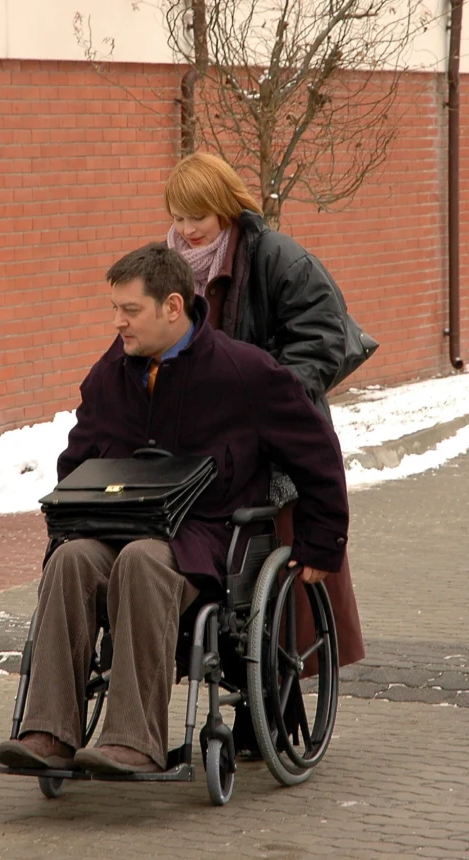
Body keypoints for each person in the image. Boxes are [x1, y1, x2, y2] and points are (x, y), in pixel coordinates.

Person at [0, 243, 349, 774]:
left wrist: (321, 542)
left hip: (209, 538)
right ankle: (49, 731)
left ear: (173, 307)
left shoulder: (244, 372)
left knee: (142, 559)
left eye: (130, 310)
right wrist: (69, 522)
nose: (118, 323)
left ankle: (133, 741)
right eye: (114, 309)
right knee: (70, 562)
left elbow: (315, 453)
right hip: (118, 525)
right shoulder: (110, 376)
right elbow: (77, 462)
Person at [163, 152, 364, 753]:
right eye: (177, 214)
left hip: (274, 436)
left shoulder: (278, 257)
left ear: (225, 205)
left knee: (270, 566)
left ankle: (272, 698)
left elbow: (324, 338)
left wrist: (263, 397)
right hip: (198, 444)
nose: (188, 226)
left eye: (198, 214)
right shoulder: (169, 263)